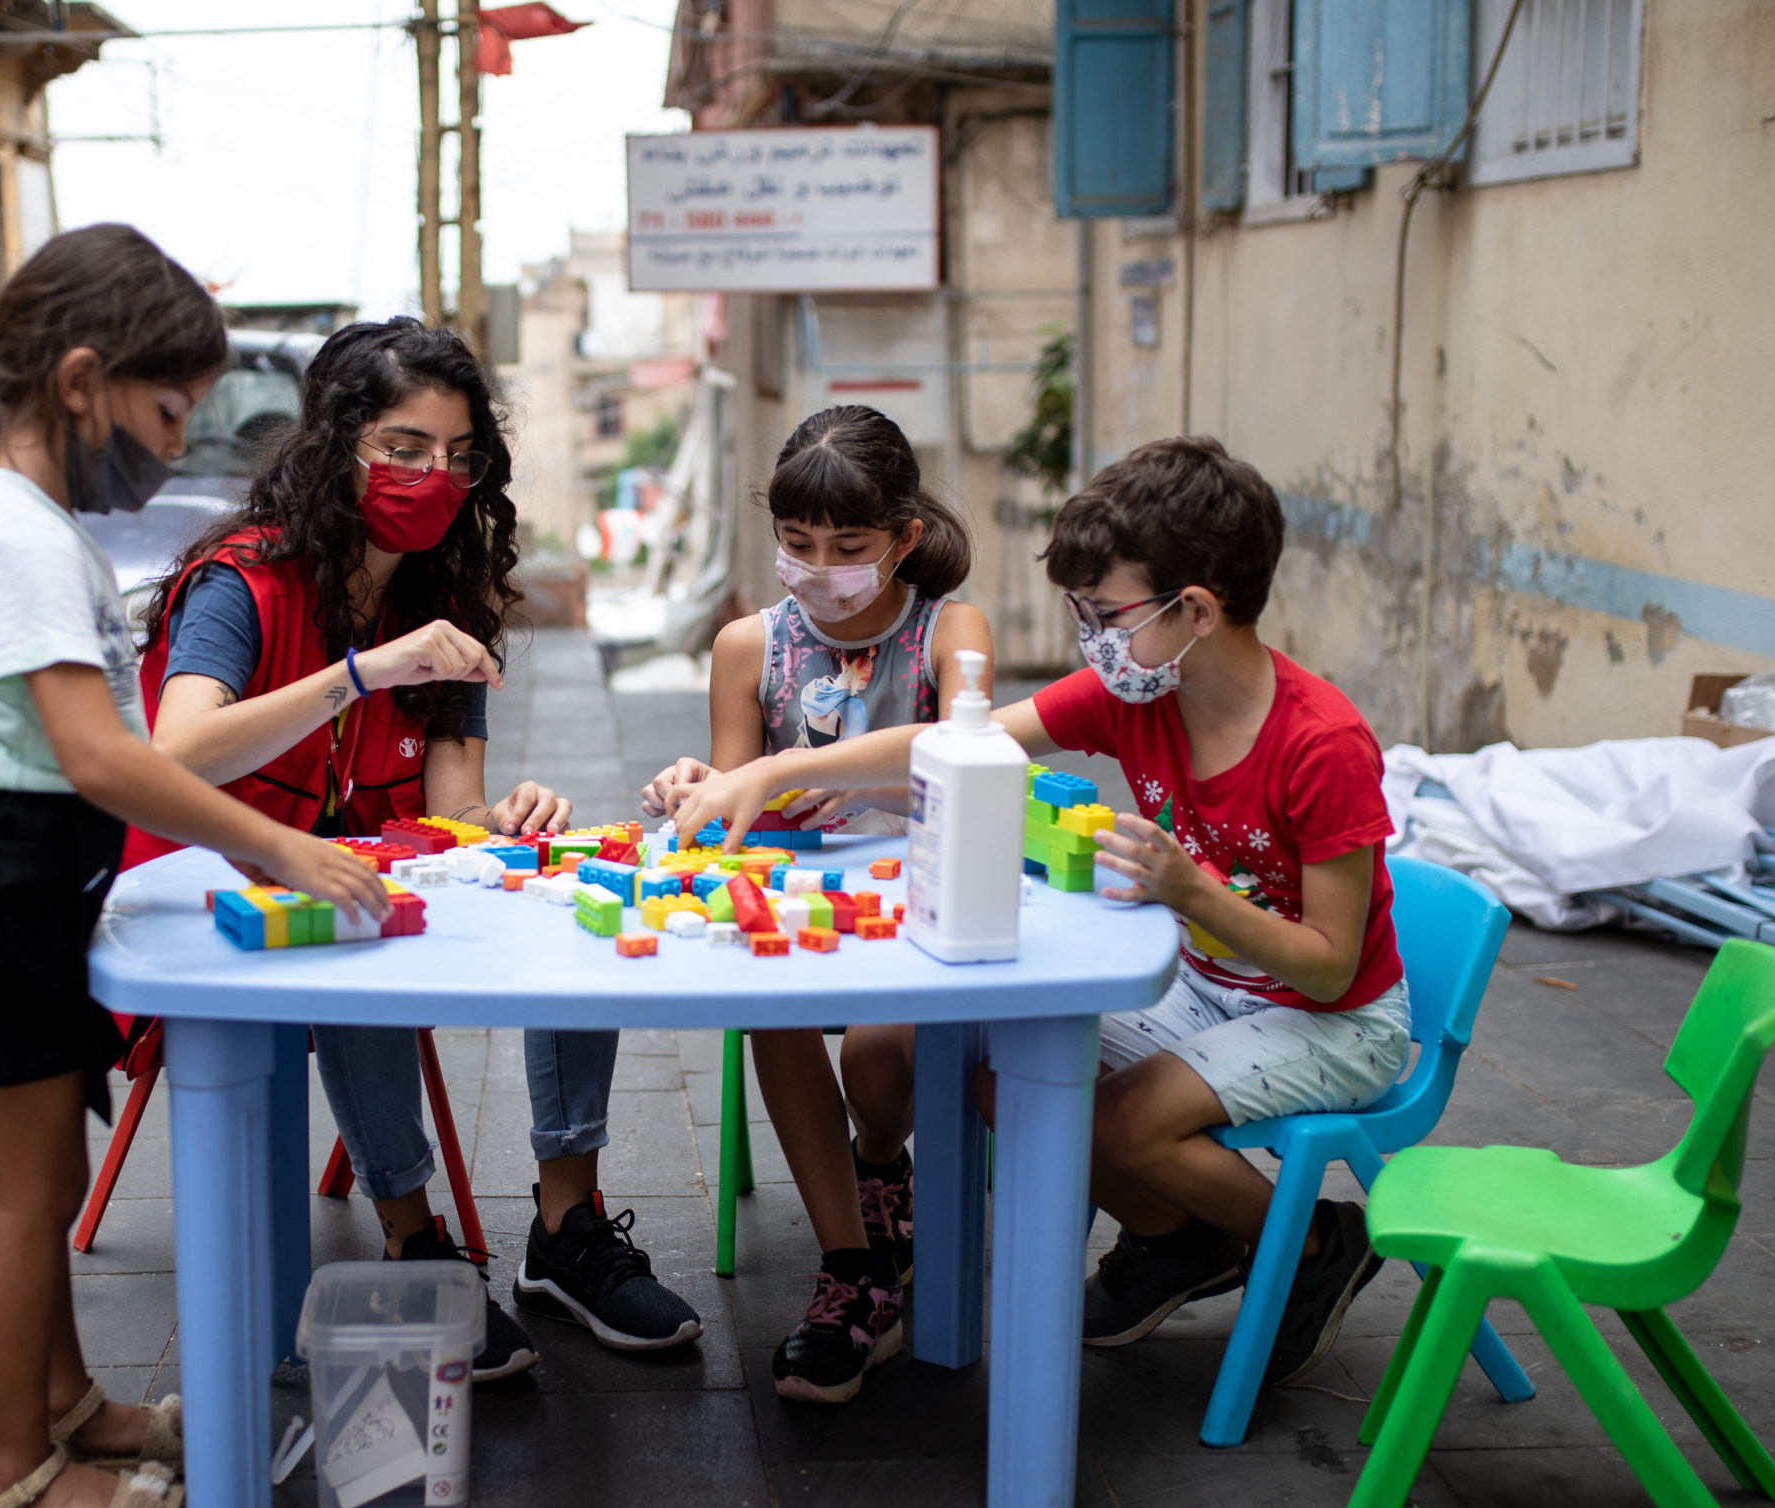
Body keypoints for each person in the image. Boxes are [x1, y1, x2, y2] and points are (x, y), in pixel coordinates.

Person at [0, 226, 395, 1508]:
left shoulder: (19, 514)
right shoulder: (21, 528)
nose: (175, 440)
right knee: (28, 1196)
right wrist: (272, 848)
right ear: (85, 378)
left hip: (19, 874)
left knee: (43, 1177)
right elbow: (107, 754)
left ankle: (65, 1404)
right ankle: (10, 1484)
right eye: (169, 410)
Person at [669, 436, 1409, 1388]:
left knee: (1129, 1124)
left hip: (1335, 1018)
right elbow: (952, 740)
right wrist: (775, 769)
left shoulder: (1322, 745)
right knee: (993, 1068)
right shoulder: (1135, 694)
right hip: (1220, 984)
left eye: (1105, 615)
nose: (1090, 640)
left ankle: (1314, 1237)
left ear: (1195, 610)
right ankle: (1180, 1241)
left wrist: (1190, 891)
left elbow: (1329, 968)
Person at [138, 318, 701, 1377]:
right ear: (335, 442)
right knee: (352, 928)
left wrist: (510, 823)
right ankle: (413, 1234)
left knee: (571, 883)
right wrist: (360, 671)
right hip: (218, 891)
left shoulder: (444, 601)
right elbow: (176, 756)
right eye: (402, 447)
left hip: (366, 874)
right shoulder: (240, 582)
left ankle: (563, 1228)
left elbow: (451, 812)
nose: (430, 475)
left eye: (455, 455)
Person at [640, 405, 990, 1404]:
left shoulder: (947, 630)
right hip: (796, 917)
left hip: (918, 911)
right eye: (797, 544)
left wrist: (836, 776)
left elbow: (969, 747)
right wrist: (697, 786)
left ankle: (878, 1162)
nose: (819, 564)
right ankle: (853, 1266)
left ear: (904, 539)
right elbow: (735, 800)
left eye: (849, 547)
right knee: (766, 1008)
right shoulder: (750, 644)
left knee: (877, 1057)